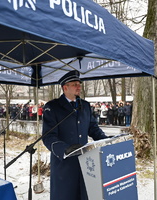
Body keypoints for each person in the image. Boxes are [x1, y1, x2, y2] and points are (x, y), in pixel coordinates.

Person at [42, 70, 109, 200]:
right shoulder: (53, 107)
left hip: (85, 162)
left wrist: (106, 141)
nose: (79, 87)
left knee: (83, 195)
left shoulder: (85, 105)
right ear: (65, 87)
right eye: (74, 84)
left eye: (79, 84)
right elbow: (48, 136)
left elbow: (93, 128)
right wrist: (64, 149)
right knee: (65, 195)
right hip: (64, 164)